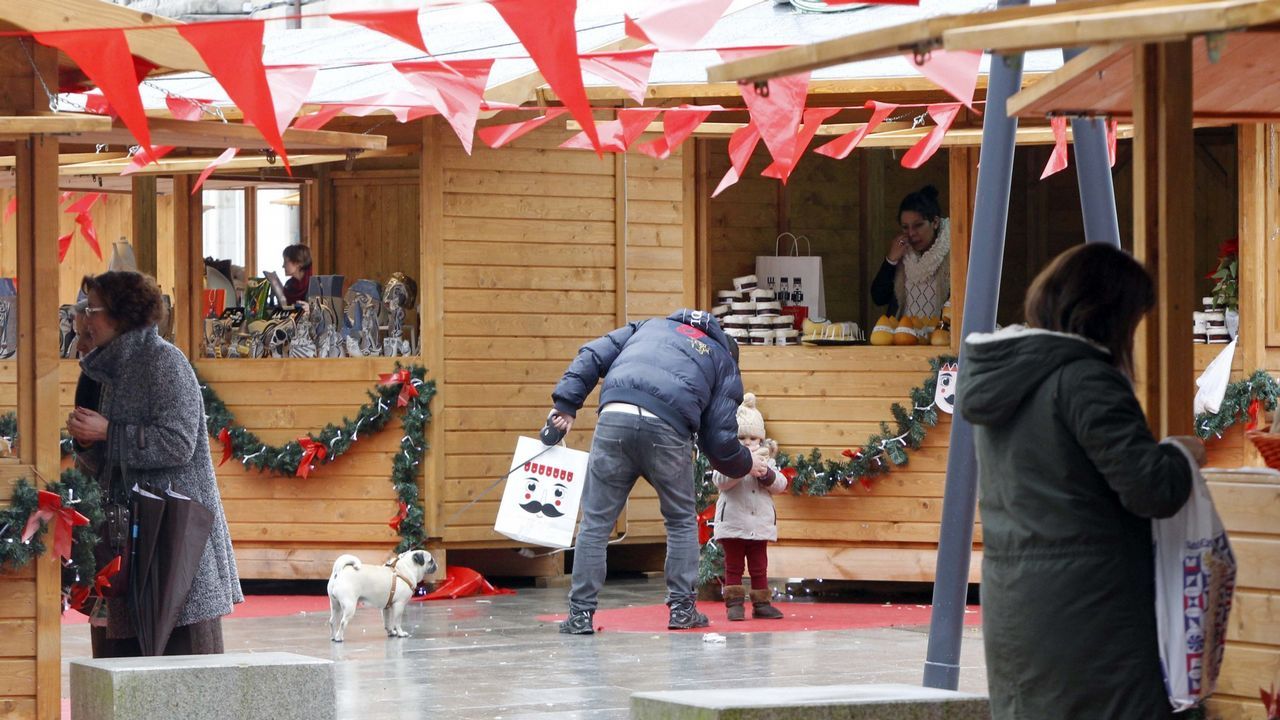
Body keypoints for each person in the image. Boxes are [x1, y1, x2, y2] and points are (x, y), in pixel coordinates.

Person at [957, 243, 1201, 719]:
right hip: (1091, 610)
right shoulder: (1086, 379)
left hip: (1017, 602)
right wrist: (1181, 454)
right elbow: (1151, 489)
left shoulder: (1004, 378)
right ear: (1109, 315)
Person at [548, 309, 770, 635]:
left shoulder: (648, 326)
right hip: (669, 426)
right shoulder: (723, 358)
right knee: (680, 521)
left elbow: (592, 354)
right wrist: (746, 463)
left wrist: (566, 405)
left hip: (615, 416)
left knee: (595, 523)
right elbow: (720, 442)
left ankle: (580, 615)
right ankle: (682, 610)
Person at [66, 271, 243, 657]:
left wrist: (109, 432)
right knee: (118, 669)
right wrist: (87, 442)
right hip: (119, 541)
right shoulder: (98, 372)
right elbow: (98, 460)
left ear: (121, 315)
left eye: (92, 310)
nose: (84, 319)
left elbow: (179, 443)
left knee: (183, 665)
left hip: (171, 538)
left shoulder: (165, 362)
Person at [712, 393, 786, 621]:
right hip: (733, 523)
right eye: (742, 437)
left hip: (759, 524)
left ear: (760, 440)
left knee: (759, 566)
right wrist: (743, 467)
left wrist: (766, 474)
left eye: (753, 438)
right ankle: (734, 604)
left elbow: (780, 484)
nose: (747, 442)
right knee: (733, 566)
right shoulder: (727, 459)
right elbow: (720, 481)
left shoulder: (767, 460)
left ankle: (762, 603)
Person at [870, 185, 951, 318]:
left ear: (935, 222)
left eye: (918, 225)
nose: (911, 233)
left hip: (938, 330)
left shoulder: (953, 255)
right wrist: (890, 260)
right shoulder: (902, 254)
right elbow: (879, 298)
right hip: (903, 330)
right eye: (905, 227)